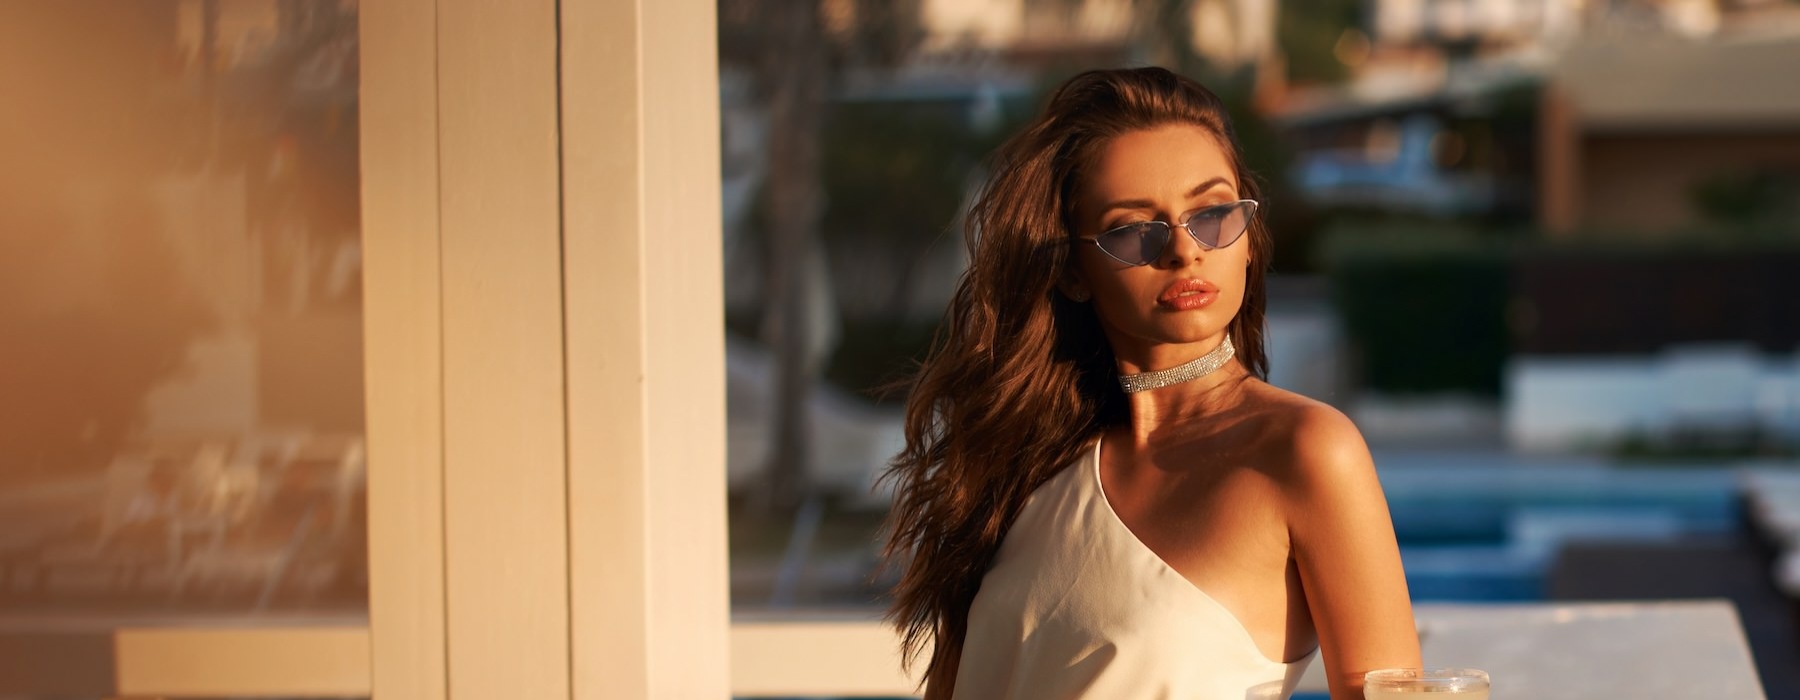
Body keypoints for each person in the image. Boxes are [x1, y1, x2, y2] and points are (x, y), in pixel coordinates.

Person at [879, 67, 1422, 700]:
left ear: (1248, 239)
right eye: (1136, 230)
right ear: (1074, 270)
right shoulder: (1018, 469)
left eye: (1213, 213)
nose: (1184, 250)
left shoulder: (1304, 450)